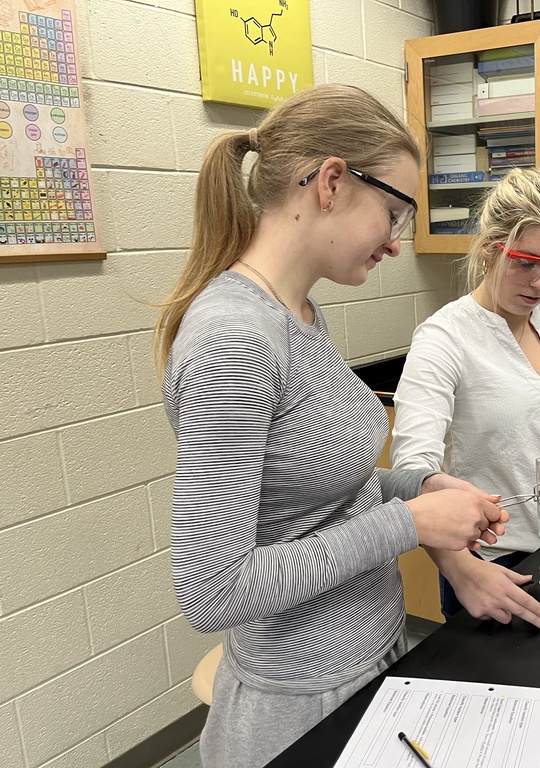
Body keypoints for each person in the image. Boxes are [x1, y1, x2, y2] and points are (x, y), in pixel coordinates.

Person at [153, 84, 517, 768]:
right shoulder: (234, 339)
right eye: (393, 211)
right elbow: (211, 588)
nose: (395, 240)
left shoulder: (299, 315)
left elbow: (315, 492)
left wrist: (418, 485)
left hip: (368, 662)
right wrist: (411, 524)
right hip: (299, 705)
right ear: (330, 182)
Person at [390, 167, 540, 623]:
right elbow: (412, 473)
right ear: (487, 251)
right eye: (525, 262)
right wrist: (460, 571)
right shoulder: (444, 339)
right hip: (492, 566)